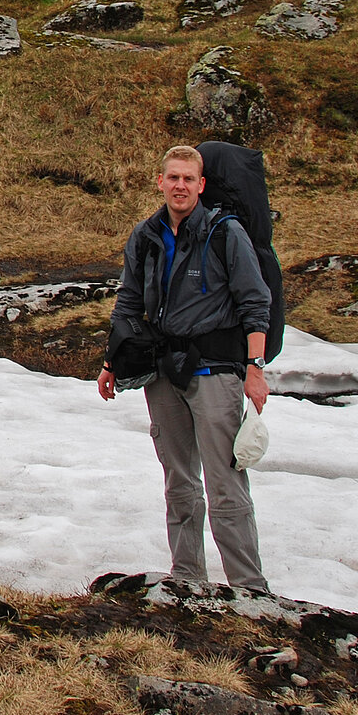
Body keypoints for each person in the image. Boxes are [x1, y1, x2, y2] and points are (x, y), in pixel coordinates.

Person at [97, 144, 273, 591]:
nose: (180, 186)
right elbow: (129, 301)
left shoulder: (225, 233)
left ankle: (249, 590)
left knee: (225, 485)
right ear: (161, 182)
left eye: (188, 179)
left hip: (215, 372)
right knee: (179, 482)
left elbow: (256, 303)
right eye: (173, 178)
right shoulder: (146, 234)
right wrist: (111, 362)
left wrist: (255, 368)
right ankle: (187, 580)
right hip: (163, 374)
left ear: (201, 185)